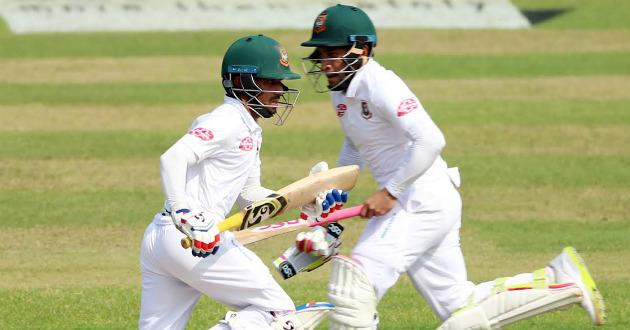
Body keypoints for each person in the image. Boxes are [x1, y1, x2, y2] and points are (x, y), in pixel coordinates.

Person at [294, 4, 607, 330]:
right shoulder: (341, 91)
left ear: (364, 49)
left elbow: (430, 139)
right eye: (322, 54)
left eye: (334, 53)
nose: (326, 63)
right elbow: (354, 144)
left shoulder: (380, 84)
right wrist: (332, 198)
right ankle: (560, 280)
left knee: (354, 285)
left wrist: (390, 192)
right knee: (461, 308)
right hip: (424, 202)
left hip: (418, 199)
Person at [139, 34, 341, 330]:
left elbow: (249, 196)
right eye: (271, 82)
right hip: (192, 238)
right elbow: (173, 158)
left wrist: (304, 197)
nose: (280, 90)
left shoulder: (249, 128)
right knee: (279, 314)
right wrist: (184, 213)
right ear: (242, 83)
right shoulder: (227, 121)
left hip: (165, 240)